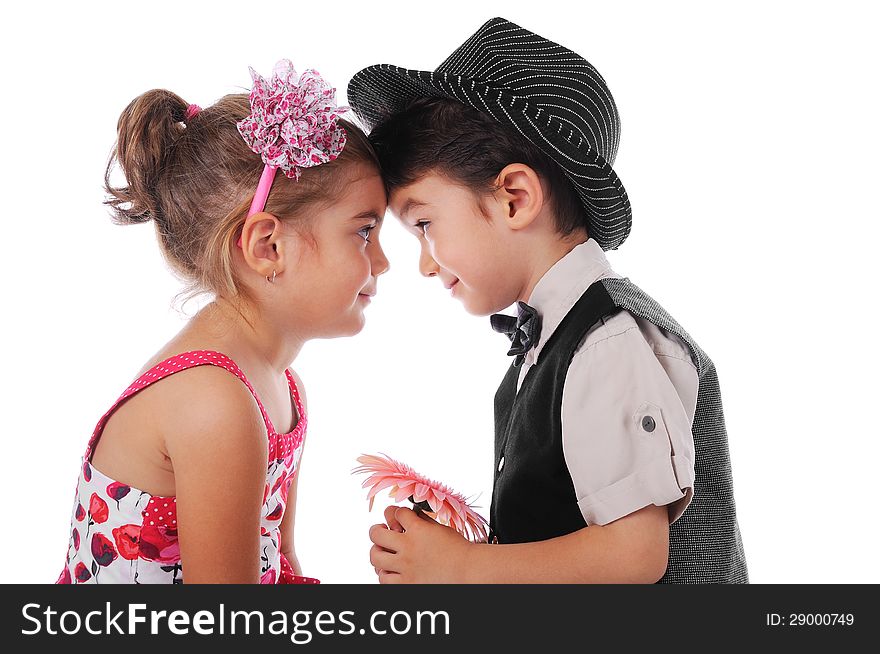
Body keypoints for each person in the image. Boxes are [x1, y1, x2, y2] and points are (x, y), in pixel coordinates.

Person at [349, 17, 747, 583]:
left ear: (515, 198)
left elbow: (632, 554)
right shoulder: (556, 342)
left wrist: (464, 568)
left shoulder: (606, 341)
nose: (426, 264)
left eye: (426, 224)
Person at [57, 60, 389, 584]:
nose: (384, 262)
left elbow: (279, 567)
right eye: (365, 232)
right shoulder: (215, 404)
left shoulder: (282, 387)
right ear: (268, 246)